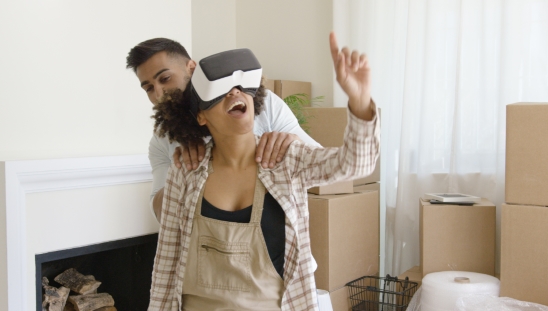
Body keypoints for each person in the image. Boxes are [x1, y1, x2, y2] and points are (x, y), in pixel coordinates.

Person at [148, 32, 380, 310]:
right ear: (201, 115)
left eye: (240, 87)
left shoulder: (286, 159)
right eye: (220, 91)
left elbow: (356, 164)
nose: (234, 92)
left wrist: (360, 100)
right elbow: (166, 262)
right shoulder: (184, 171)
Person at [125, 38, 320, 223]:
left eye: (165, 78)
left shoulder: (261, 103)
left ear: (191, 68)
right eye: (149, 88)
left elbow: (321, 171)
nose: (159, 93)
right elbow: (160, 213)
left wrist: (293, 143)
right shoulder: (163, 139)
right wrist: (181, 172)